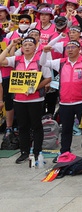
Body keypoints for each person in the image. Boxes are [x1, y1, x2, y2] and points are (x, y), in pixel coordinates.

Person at [0, 36, 52, 166]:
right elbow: (1, 60)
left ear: (35, 47)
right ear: (21, 47)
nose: (27, 47)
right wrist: (11, 45)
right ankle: (24, 152)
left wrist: (35, 88)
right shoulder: (16, 60)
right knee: (23, 127)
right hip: (19, 99)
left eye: (30, 44)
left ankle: (37, 151)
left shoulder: (40, 61)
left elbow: (48, 78)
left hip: (36, 99)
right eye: (25, 45)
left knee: (36, 126)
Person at [44, 40, 82, 158]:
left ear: (79, 50)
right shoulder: (61, 62)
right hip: (65, 102)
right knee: (66, 129)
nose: (70, 49)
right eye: (68, 48)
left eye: (73, 47)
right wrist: (45, 51)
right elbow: (43, 62)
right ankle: (65, 152)